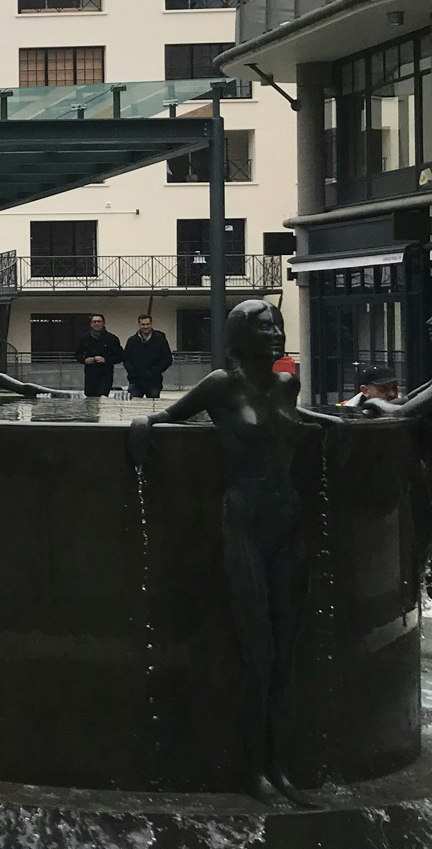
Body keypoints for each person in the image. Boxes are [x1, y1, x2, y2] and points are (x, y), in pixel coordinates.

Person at [128, 300, 341, 807]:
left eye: (277, 325)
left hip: (287, 521)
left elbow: (288, 416)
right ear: (239, 336)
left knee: (286, 650)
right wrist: (142, 428)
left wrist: (332, 423)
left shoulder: (287, 384)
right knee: (258, 650)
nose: (275, 332)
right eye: (263, 326)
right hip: (244, 521)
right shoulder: (221, 385)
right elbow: (167, 415)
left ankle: (280, 765)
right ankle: (253, 769)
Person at [73, 314, 126, 398]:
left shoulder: (111, 338)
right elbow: (77, 354)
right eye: (94, 322)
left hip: (105, 374)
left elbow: (121, 356)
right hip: (90, 375)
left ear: (103, 323)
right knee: (90, 400)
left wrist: (105, 360)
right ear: (91, 324)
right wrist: (84, 360)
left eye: (99, 321)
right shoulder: (84, 338)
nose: (96, 323)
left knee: (102, 398)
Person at [122, 315, 173, 399]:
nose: (145, 327)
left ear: (151, 324)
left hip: (154, 381)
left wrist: (155, 371)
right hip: (135, 381)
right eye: (143, 324)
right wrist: (132, 371)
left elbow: (167, 359)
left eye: (148, 324)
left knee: (153, 407)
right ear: (139, 325)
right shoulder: (132, 341)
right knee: (134, 407)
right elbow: (126, 358)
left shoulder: (160, 339)